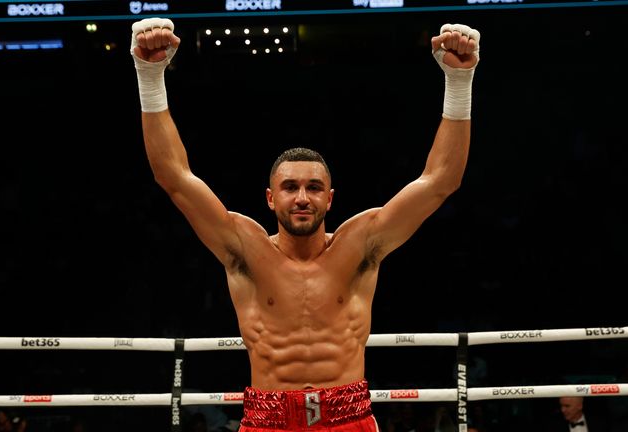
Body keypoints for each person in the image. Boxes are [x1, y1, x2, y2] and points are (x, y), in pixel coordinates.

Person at [129, 16, 479, 432]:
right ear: (270, 197)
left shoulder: (361, 243)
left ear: (329, 198)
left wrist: (460, 81)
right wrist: (149, 75)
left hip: (348, 417)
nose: (301, 197)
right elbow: (174, 176)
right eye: (290, 186)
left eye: (314, 187)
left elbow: (441, 181)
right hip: (268, 419)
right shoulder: (244, 247)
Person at [544, 396, 610, 432]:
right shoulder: (554, 427)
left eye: (567, 406)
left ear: (580, 406)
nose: (562, 410)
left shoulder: (600, 424)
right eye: (561, 406)